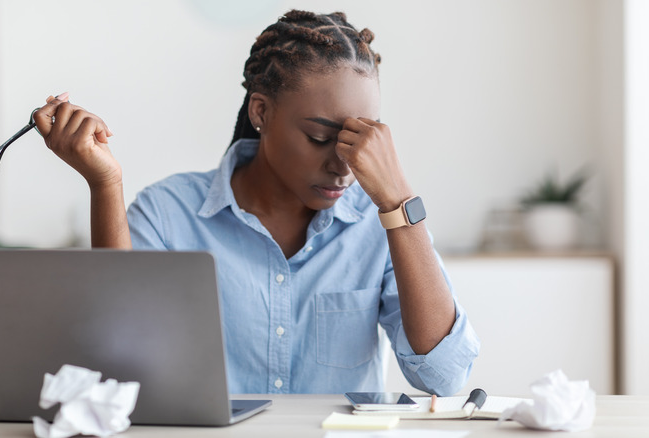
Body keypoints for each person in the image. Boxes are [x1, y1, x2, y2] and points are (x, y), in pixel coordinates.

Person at [32, 10, 479, 395]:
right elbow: (113, 364)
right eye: (321, 138)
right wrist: (104, 184)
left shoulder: (378, 222)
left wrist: (399, 200)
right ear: (261, 111)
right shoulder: (169, 214)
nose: (344, 166)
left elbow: (444, 375)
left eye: (360, 142)